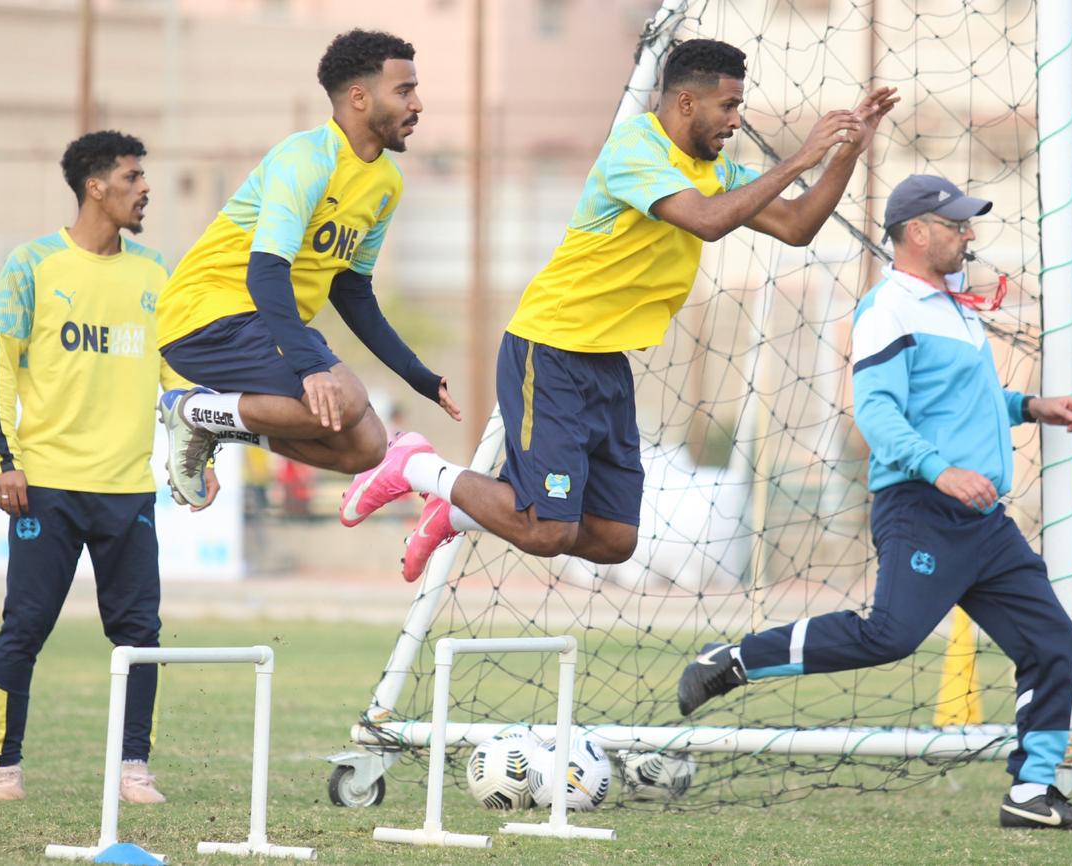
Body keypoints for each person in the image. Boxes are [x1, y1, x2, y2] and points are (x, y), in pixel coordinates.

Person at [340, 38, 899, 582]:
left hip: (606, 363)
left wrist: (846, 150)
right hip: (553, 347)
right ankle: (413, 465)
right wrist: (803, 153)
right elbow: (705, 220)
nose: (735, 120)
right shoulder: (637, 149)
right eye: (728, 106)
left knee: (614, 538)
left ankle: (454, 510)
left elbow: (798, 226)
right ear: (686, 103)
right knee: (548, 531)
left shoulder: (718, 170)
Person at [675, 175, 1072, 831]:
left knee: (1053, 639)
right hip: (922, 508)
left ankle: (1031, 792)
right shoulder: (889, 309)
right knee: (891, 636)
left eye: (968, 222)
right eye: (956, 223)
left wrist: (1029, 407)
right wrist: (940, 473)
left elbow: (958, 405)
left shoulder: (956, 307)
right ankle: (733, 660)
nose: (969, 233)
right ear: (915, 233)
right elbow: (877, 415)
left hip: (984, 523)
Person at [0, 131, 218, 803]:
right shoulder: (32, 266)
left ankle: (133, 767)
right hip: (47, 487)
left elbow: (176, 372)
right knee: (25, 627)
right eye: (133, 176)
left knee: (139, 633)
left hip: (127, 488)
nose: (145, 188)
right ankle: (4, 764)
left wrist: (199, 449)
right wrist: (8, 459)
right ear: (96, 186)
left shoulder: (154, 271)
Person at [155, 29, 459, 508]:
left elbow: (352, 292)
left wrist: (417, 375)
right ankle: (192, 411)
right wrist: (311, 365)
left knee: (365, 447)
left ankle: (213, 424)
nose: (417, 103)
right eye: (404, 90)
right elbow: (266, 272)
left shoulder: (386, 183)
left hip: (261, 320)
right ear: (359, 98)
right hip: (205, 313)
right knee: (347, 401)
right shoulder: (305, 160)